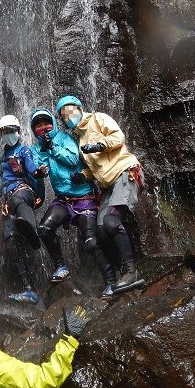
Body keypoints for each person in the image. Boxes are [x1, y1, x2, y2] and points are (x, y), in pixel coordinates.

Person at [55, 95, 145, 293]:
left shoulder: (98, 119)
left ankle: (131, 271)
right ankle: (120, 272)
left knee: (112, 221)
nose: (68, 117)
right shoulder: (77, 139)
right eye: (63, 116)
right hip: (107, 186)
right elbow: (94, 168)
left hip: (125, 172)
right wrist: (82, 176)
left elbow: (118, 137)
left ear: (78, 108)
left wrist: (99, 145)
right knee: (102, 229)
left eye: (69, 111)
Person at [30, 108, 116, 296]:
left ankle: (112, 281)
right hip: (63, 200)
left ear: (53, 123)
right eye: (38, 125)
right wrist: (38, 170)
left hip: (84, 196)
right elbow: (38, 167)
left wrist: (52, 146)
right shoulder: (35, 148)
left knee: (91, 243)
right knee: (44, 229)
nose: (43, 128)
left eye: (46, 123)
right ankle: (61, 267)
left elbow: (72, 159)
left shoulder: (64, 138)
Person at [0, 115, 48, 305]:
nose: (8, 135)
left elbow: (31, 168)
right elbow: (2, 181)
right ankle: (28, 289)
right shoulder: (3, 158)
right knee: (10, 240)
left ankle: (33, 230)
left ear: (18, 132)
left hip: (24, 191)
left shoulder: (24, 150)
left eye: (11, 131)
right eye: (5, 132)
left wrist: (37, 172)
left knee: (17, 198)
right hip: (8, 201)